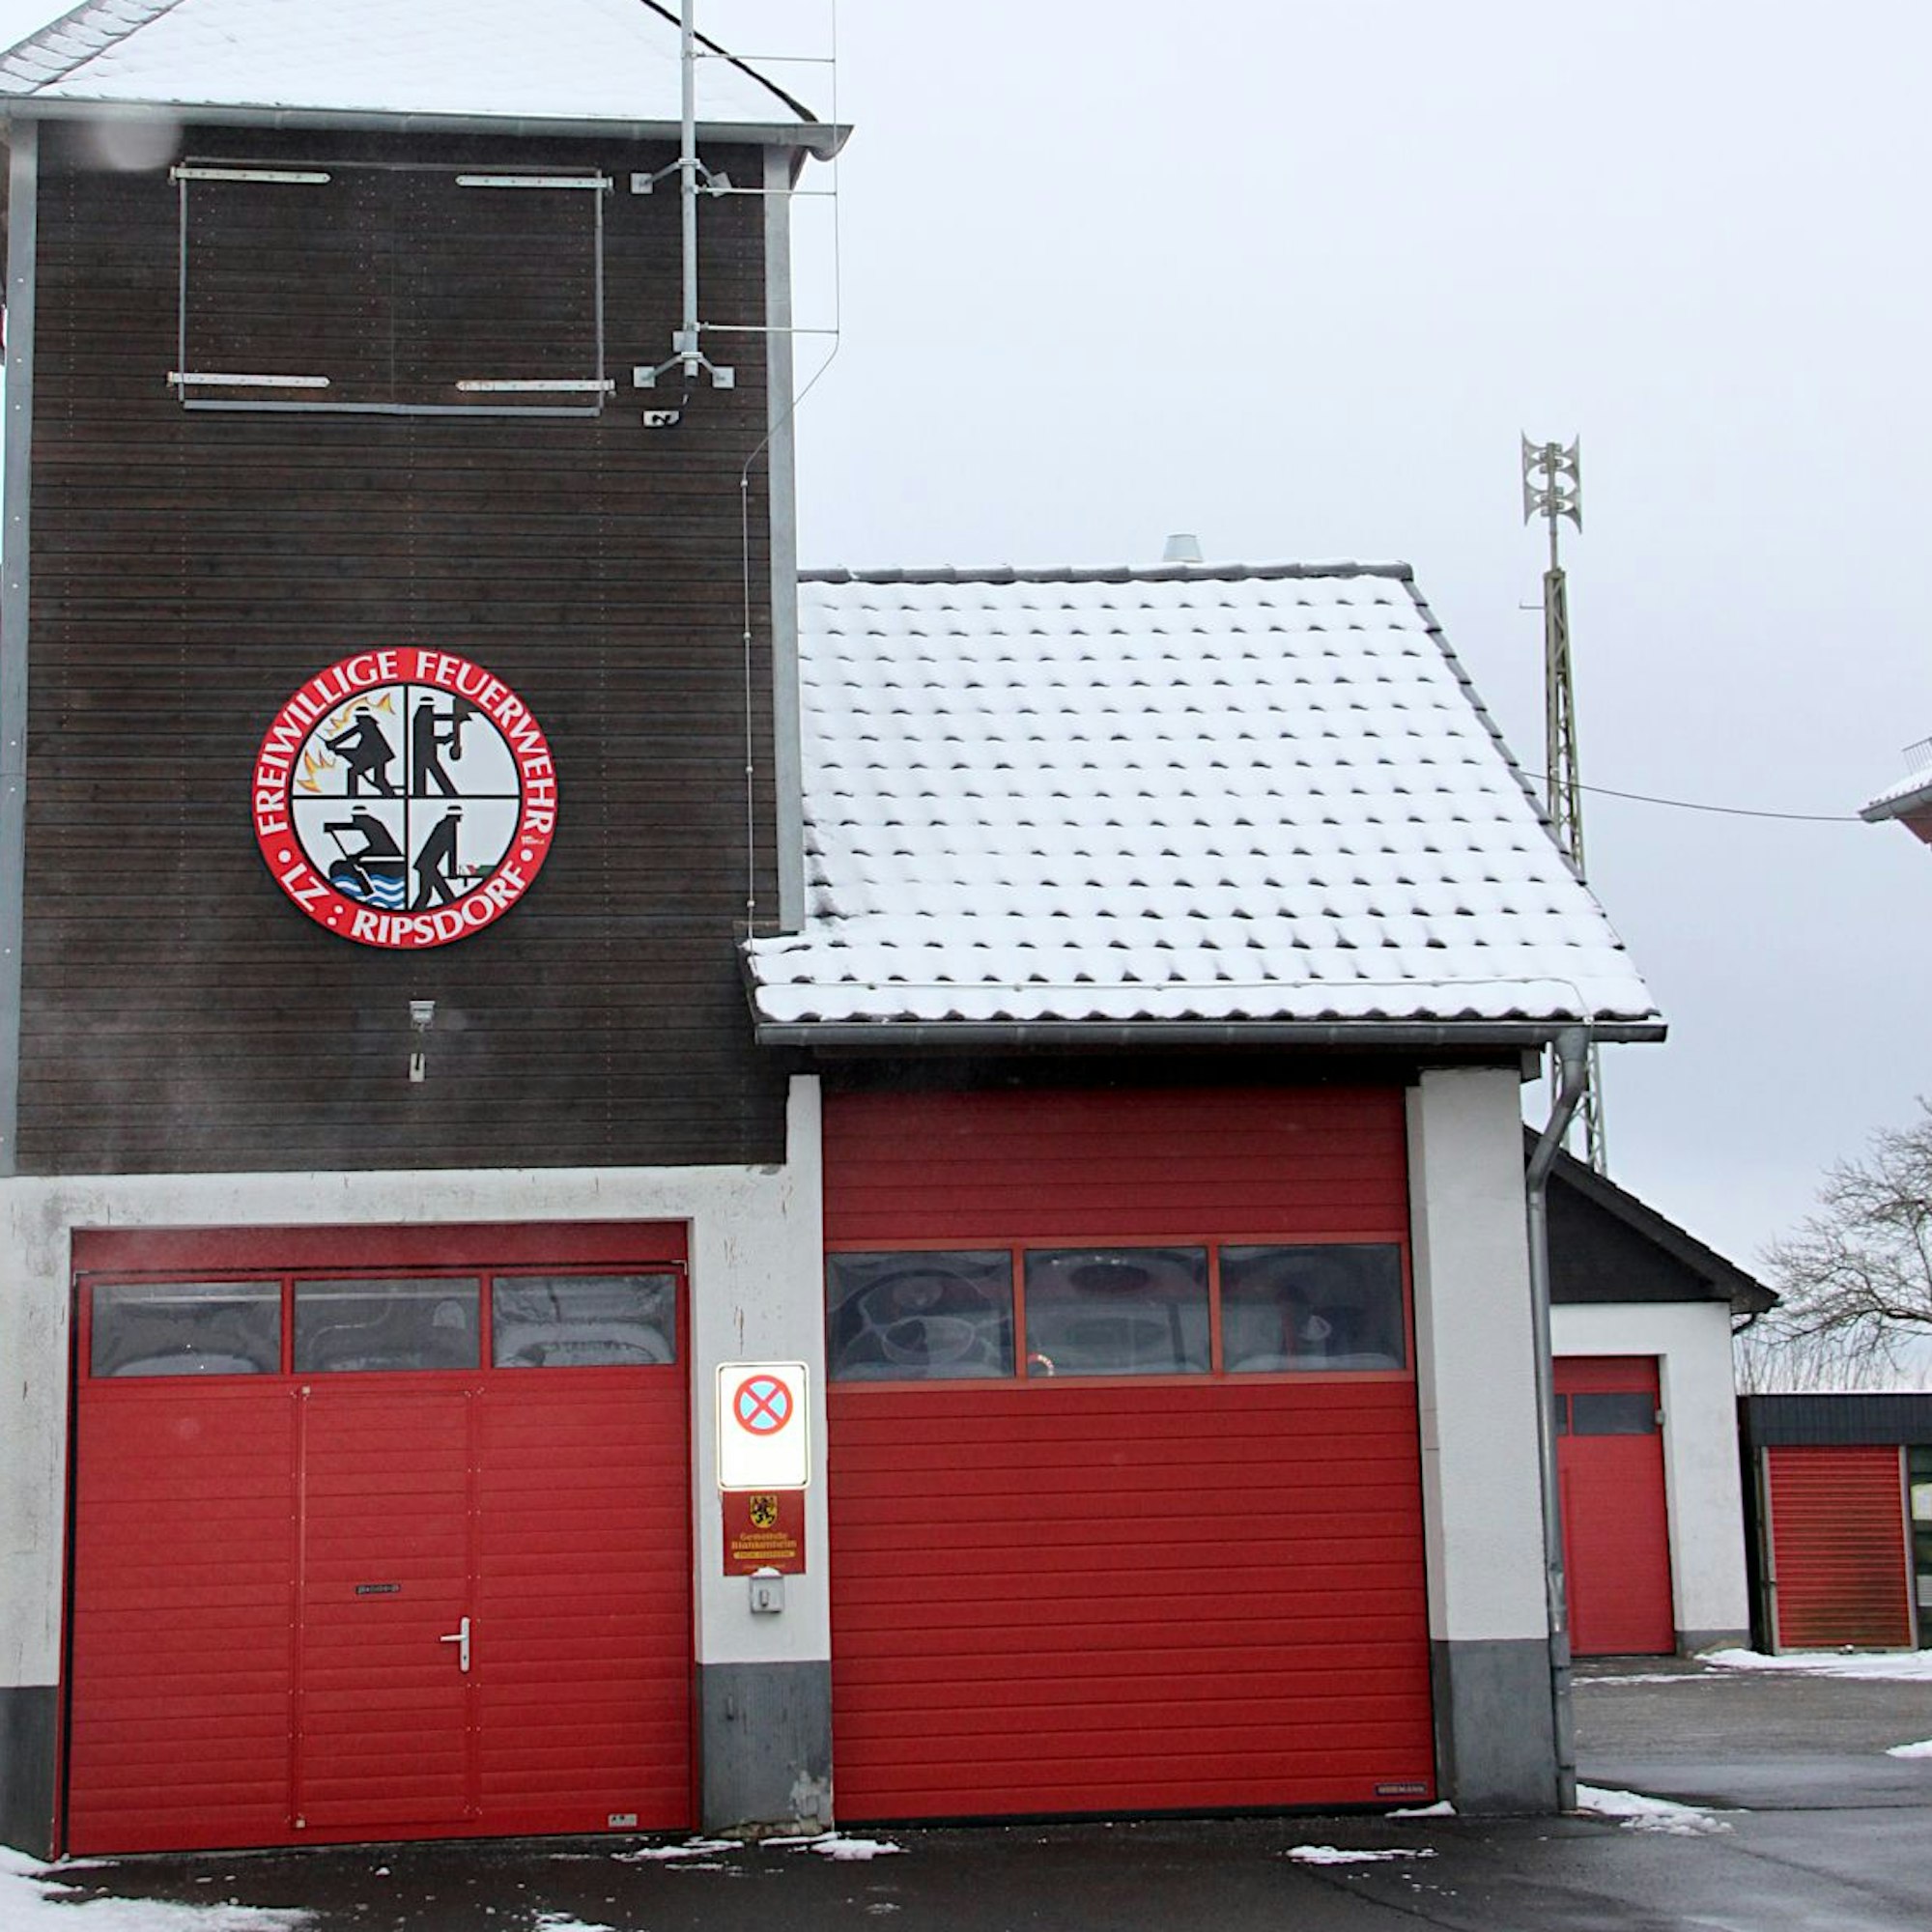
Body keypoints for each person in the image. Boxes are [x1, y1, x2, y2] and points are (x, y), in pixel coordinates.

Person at [324, 704, 397, 796]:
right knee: (379, 778)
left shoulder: (365, 726)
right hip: (379, 756)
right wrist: (337, 746)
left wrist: (335, 745)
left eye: (357, 717)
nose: (356, 719)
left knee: (353, 772)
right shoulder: (369, 725)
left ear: (361, 717)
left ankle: (352, 795)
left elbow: (349, 735)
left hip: (377, 756)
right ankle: (390, 794)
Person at [412, 805, 463, 910]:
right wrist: (452, 873)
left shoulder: (443, 824)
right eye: (459, 815)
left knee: (426, 894)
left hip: (427, 865)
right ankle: (453, 909)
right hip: (428, 866)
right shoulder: (449, 827)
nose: (460, 818)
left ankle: (415, 911)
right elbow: (452, 850)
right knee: (443, 894)